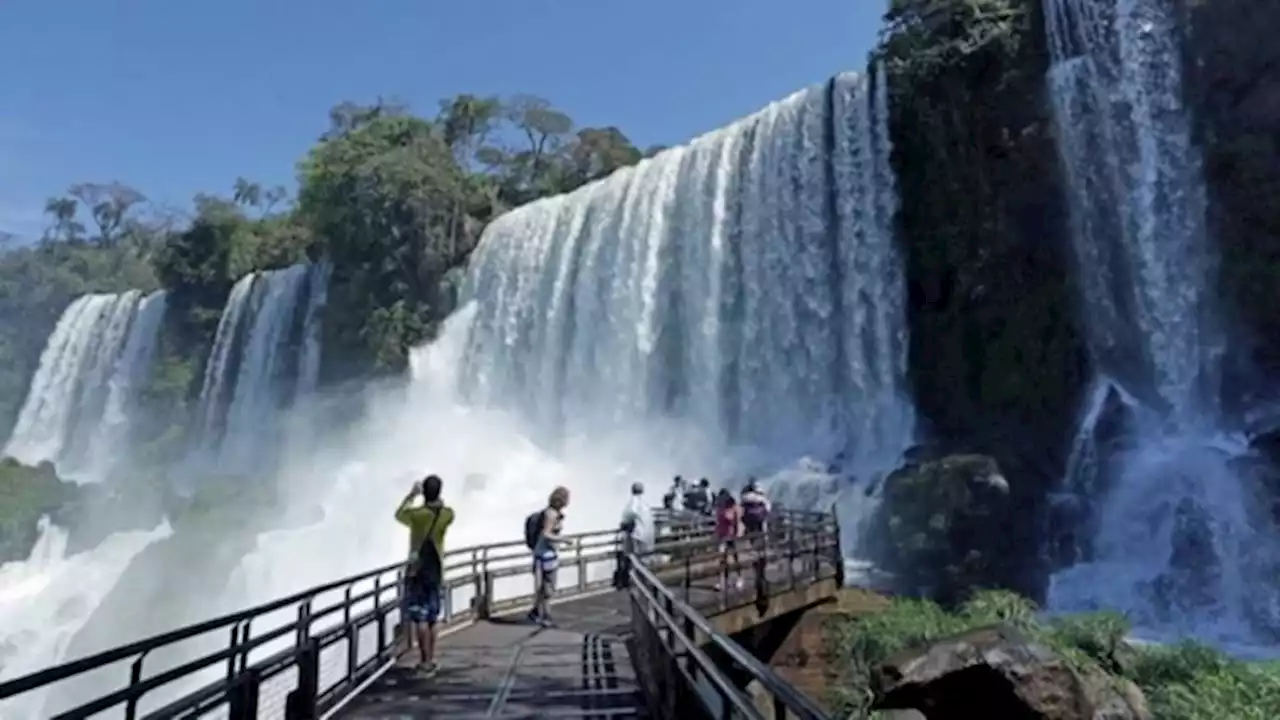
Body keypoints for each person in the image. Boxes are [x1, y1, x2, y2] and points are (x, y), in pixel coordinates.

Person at [394, 474, 455, 677]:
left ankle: (423, 661)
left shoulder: (417, 515)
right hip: (436, 570)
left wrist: (412, 495)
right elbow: (447, 512)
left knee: (419, 616)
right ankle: (431, 659)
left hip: (417, 570)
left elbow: (399, 514)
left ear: (424, 492)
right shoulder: (447, 514)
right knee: (432, 617)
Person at [526, 486, 571, 627]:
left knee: (544, 588)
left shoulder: (552, 513)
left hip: (544, 555)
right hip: (545, 556)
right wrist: (563, 540)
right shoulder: (551, 515)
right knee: (548, 588)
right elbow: (546, 534)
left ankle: (538, 613)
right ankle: (545, 616)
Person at [712, 488, 743, 591]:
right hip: (722, 536)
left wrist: (737, 534)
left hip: (732, 536)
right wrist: (716, 534)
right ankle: (723, 581)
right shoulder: (719, 507)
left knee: (735, 558)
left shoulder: (734, 507)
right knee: (722, 559)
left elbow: (737, 522)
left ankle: (739, 578)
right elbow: (718, 522)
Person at [619, 481, 654, 557]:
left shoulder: (632, 503)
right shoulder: (645, 503)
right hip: (649, 536)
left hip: (639, 537)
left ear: (632, 490)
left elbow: (626, 519)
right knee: (645, 558)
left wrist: (623, 525)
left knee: (636, 557)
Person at [740, 478, 771, 548]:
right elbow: (767, 506)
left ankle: (751, 542)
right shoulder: (761, 495)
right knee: (763, 528)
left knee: (750, 529)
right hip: (760, 516)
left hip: (748, 516)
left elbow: (741, 504)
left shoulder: (745, 495)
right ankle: (765, 542)